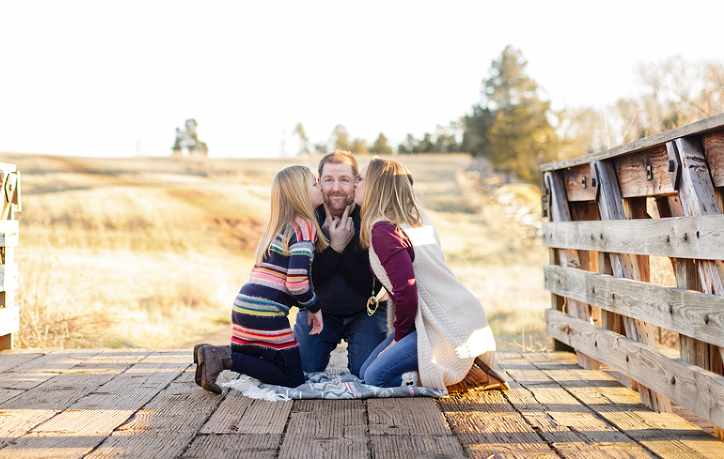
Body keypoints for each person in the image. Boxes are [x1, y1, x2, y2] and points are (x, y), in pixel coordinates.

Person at [355, 157, 508, 392]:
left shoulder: (384, 230)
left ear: (376, 185)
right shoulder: (414, 219)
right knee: (365, 373)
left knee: (377, 378)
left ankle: (468, 377)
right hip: (450, 316)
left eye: (360, 179)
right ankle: (464, 371)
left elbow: (406, 290)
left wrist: (398, 338)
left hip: (441, 325)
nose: (355, 183)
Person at [194, 165, 326, 393]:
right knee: (293, 378)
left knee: (269, 360)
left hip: (244, 306)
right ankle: (224, 359)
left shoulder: (277, 228)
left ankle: (212, 354)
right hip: (266, 314)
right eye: (315, 184)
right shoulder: (305, 226)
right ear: (300, 195)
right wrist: (315, 307)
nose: (320, 187)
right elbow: (295, 283)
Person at [293, 151, 389, 378]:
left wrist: (341, 248)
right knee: (301, 372)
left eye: (344, 180)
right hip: (318, 311)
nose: (336, 188)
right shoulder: (307, 217)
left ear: (356, 183)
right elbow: (304, 281)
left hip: (366, 310)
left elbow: (368, 286)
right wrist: (334, 248)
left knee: (369, 375)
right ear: (319, 183)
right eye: (329, 180)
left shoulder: (370, 216)